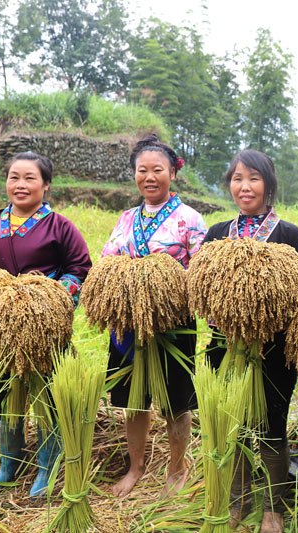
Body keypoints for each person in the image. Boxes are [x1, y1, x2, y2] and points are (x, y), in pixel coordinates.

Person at [0, 151, 92, 497]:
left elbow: (79, 268)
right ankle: (9, 464)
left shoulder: (60, 226)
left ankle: (47, 464)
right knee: (3, 393)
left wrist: (51, 298)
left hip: (41, 330)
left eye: (30, 178)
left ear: (46, 185)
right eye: (14, 177)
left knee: (46, 393)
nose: (20, 185)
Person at [203, 149, 298, 533]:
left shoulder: (289, 235)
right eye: (237, 178)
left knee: (272, 426)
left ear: (268, 184)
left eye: (253, 178)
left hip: (274, 349)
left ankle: (273, 507)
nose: (244, 186)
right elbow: (200, 292)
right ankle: (236, 500)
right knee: (229, 424)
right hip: (224, 346)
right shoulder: (217, 233)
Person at [100, 134, 207, 499]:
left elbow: (201, 271)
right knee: (134, 400)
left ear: (172, 174)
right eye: (142, 170)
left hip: (173, 326)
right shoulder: (126, 217)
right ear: (134, 175)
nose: (149, 177)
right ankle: (136, 467)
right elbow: (107, 260)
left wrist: (164, 288)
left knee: (177, 402)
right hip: (129, 325)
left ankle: (177, 470)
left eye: (157, 170)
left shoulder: (189, 219)